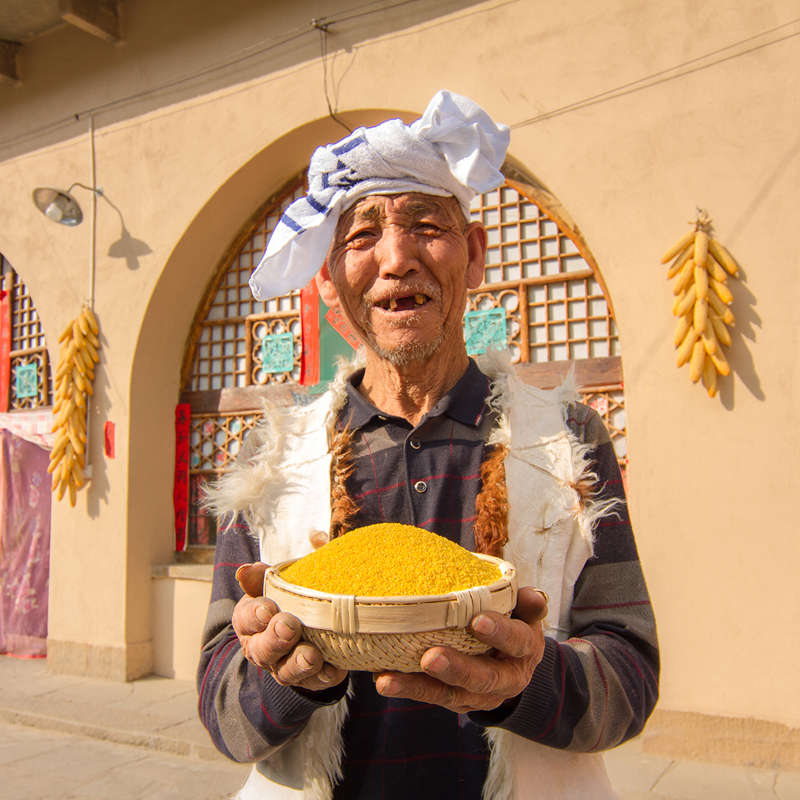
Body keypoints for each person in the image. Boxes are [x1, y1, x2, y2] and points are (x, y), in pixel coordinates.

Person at [197, 90, 659, 800]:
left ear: (473, 257)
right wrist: (282, 678)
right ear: (326, 279)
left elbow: (630, 676)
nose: (397, 258)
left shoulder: (567, 442)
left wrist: (524, 683)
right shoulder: (269, 460)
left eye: (426, 225)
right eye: (361, 237)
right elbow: (222, 712)